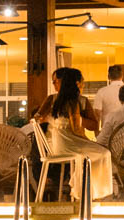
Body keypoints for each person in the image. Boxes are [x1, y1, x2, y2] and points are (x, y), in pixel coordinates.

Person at [44, 70, 113, 204]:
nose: (83, 85)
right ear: (76, 84)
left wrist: (50, 120)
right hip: (71, 144)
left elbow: (37, 118)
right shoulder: (79, 101)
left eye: (55, 81)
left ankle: (82, 189)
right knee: (104, 153)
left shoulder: (53, 100)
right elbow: (94, 125)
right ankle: (92, 193)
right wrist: (79, 120)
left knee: (88, 156)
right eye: (82, 82)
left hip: (56, 147)